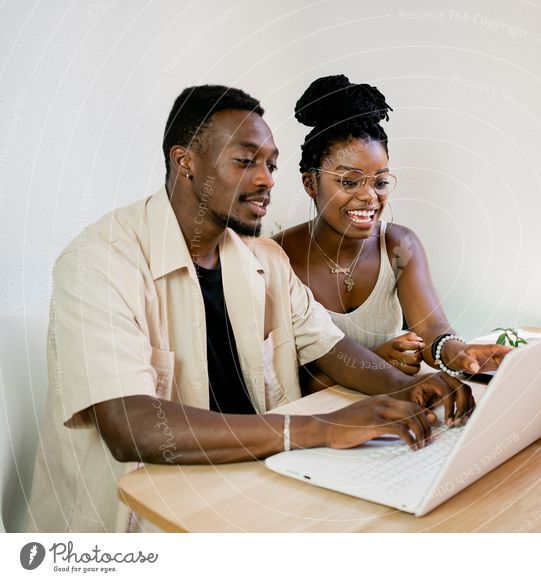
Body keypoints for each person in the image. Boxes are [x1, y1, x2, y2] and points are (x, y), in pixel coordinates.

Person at [27, 85, 474, 533]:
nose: (265, 179)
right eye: (245, 161)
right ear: (185, 162)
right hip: (143, 518)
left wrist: (406, 388)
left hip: (254, 484)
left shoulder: (263, 259)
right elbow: (131, 427)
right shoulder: (99, 262)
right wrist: (319, 428)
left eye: (270, 164)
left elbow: (331, 348)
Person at [274, 75, 510, 391]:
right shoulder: (276, 258)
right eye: (349, 182)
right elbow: (278, 380)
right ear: (310, 183)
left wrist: (459, 352)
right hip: (319, 422)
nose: (370, 196)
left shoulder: (398, 246)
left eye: (380, 182)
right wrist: (377, 362)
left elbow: (431, 328)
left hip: (389, 408)